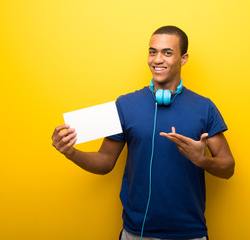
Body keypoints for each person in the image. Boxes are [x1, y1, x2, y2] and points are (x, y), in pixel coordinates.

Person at [52, 26, 235, 240]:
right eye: (152, 51)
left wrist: (203, 161)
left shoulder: (204, 107)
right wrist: (70, 152)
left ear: (183, 58)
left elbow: (228, 167)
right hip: (135, 232)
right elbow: (104, 161)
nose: (157, 59)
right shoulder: (125, 104)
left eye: (167, 52)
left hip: (189, 233)